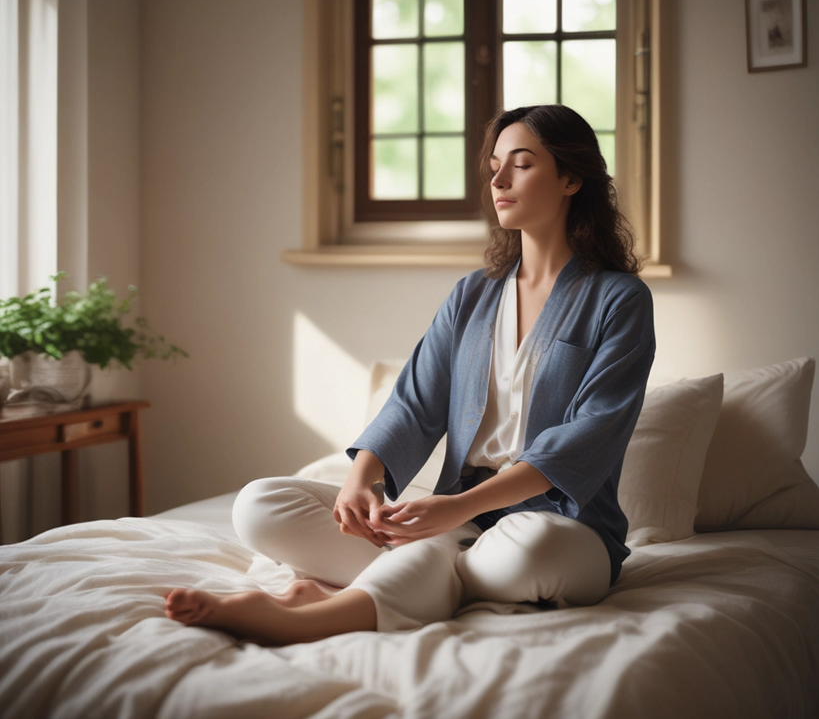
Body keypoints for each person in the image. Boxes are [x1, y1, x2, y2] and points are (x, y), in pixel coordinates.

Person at [165, 104, 655, 646]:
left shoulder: (619, 299)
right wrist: (359, 484)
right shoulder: (473, 294)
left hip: (560, 526)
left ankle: (320, 609)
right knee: (260, 505)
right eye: (494, 164)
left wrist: (457, 511)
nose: (497, 179)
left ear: (570, 178)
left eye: (520, 164)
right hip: (459, 521)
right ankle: (431, 573)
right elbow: (414, 405)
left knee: (527, 555)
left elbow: (589, 434)